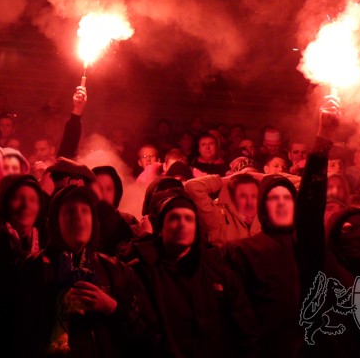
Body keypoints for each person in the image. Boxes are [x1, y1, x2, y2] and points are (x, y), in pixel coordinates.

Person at [223, 97, 338, 358]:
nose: (282, 203)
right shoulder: (242, 251)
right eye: (273, 198)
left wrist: (324, 138)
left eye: (287, 197)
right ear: (263, 207)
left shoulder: (307, 244)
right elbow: (237, 313)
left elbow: (311, 198)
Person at [1, 185, 158, 357]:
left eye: (85, 211)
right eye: (69, 211)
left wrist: (114, 309)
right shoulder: (26, 269)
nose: (79, 217)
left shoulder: (118, 272)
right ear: (54, 220)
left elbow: (151, 339)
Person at [128, 188, 260, 357]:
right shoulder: (142, 273)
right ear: (160, 229)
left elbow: (247, 331)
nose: (182, 223)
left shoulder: (220, 274)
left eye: (189, 219)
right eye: (175, 218)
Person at [186, 172, 261, 247]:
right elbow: (192, 187)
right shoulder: (217, 216)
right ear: (232, 197)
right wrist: (229, 178)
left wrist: (261, 177)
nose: (249, 201)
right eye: (242, 196)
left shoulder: (266, 216)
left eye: (254, 196)